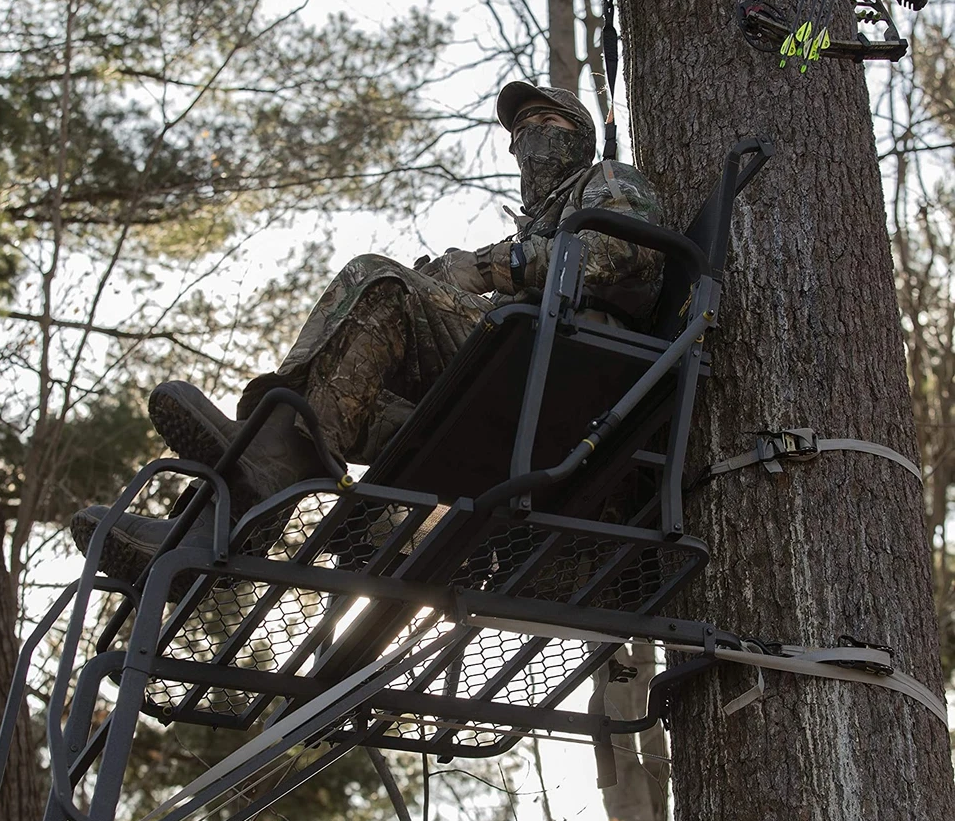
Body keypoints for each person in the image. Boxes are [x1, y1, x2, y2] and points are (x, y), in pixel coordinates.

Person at [71, 82, 664, 588]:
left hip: (565, 381)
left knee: (378, 280)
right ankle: (200, 531)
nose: (530, 136)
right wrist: (454, 286)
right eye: (521, 129)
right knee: (342, 381)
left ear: (580, 136)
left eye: (547, 121)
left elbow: (624, 250)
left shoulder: (604, 180)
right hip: (506, 390)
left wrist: (486, 268)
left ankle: (272, 468)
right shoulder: (536, 222)